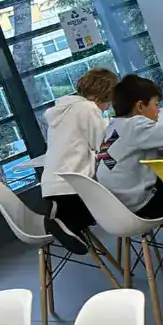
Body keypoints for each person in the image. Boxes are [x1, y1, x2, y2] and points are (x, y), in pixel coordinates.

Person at [40, 67, 118, 255]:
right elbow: (100, 142)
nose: (108, 107)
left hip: (53, 183)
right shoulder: (88, 109)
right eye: (108, 102)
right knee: (103, 207)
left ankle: (60, 222)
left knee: (79, 217)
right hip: (74, 182)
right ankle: (60, 223)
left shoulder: (62, 110)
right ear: (102, 96)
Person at [96, 75, 163, 219]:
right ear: (140, 106)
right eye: (156, 104)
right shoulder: (136, 125)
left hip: (118, 209)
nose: (159, 111)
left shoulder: (113, 127)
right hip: (144, 206)